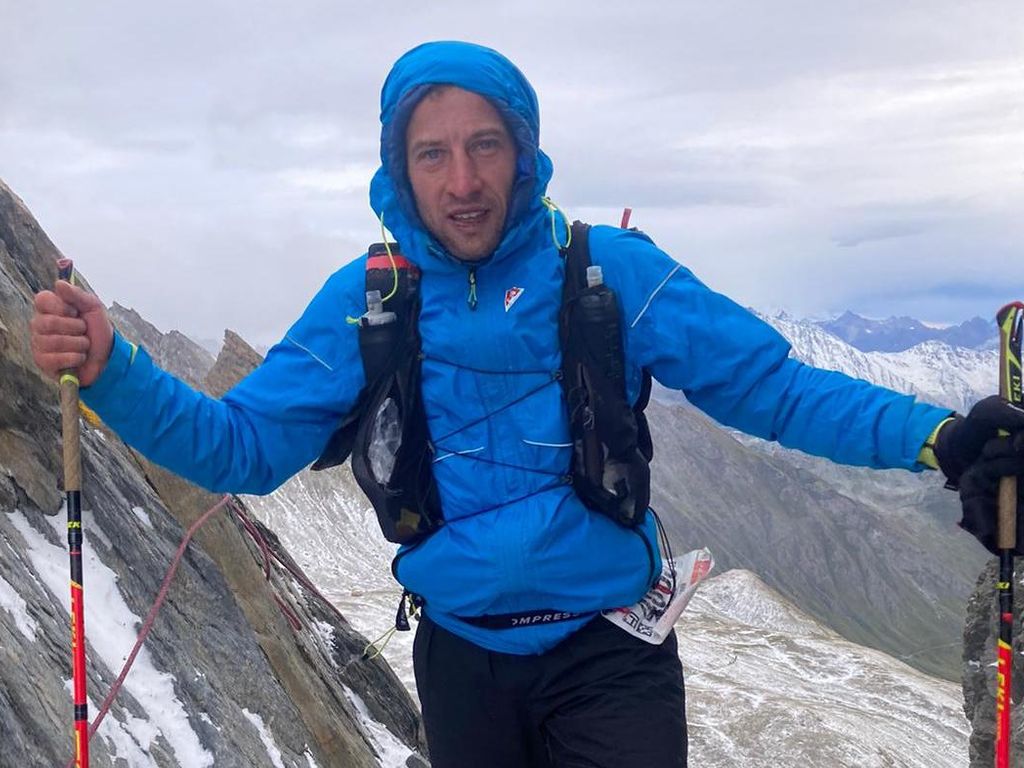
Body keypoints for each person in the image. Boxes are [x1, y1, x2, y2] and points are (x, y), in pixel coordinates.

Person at [29, 40, 1024, 767]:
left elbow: (770, 387)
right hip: (463, 663)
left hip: (613, 653)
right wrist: (115, 368)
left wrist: (936, 437)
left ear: (525, 150)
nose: (463, 181)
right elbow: (241, 449)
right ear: (398, 168)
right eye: (432, 154)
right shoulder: (369, 302)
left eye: (486, 146)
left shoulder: (607, 272)